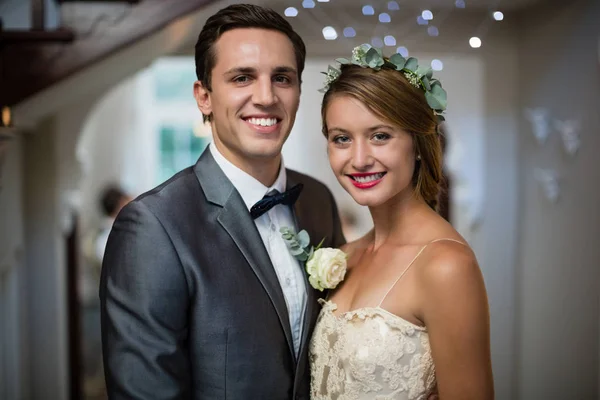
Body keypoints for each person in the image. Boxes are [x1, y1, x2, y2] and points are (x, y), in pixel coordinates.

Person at [99, 4, 345, 399]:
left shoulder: (318, 199)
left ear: (299, 91)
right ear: (204, 97)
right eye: (242, 77)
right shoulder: (152, 226)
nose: (266, 97)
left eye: (282, 78)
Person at [309, 45, 494, 399]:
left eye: (380, 136)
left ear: (418, 143)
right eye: (342, 138)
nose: (359, 159)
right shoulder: (346, 255)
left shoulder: (446, 265)